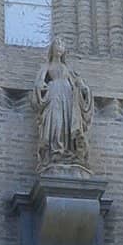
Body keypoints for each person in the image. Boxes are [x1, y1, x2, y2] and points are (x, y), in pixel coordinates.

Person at [33, 38, 94, 172]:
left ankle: (68, 150)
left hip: (68, 94)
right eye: (57, 44)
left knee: (68, 122)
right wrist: (42, 86)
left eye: (62, 45)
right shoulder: (47, 66)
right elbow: (39, 82)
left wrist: (84, 90)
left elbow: (78, 82)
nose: (60, 47)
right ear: (52, 48)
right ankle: (56, 150)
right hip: (54, 92)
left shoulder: (68, 68)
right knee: (56, 122)